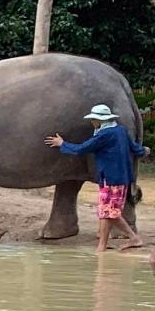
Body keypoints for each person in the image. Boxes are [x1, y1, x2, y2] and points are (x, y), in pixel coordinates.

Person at [46, 104, 148, 255]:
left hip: (112, 179)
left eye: (94, 119)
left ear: (100, 121)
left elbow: (82, 149)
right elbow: (133, 147)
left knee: (110, 212)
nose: (92, 122)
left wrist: (62, 144)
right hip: (119, 178)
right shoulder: (120, 130)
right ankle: (104, 245)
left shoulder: (104, 135)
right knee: (106, 212)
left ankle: (131, 239)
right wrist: (143, 151)